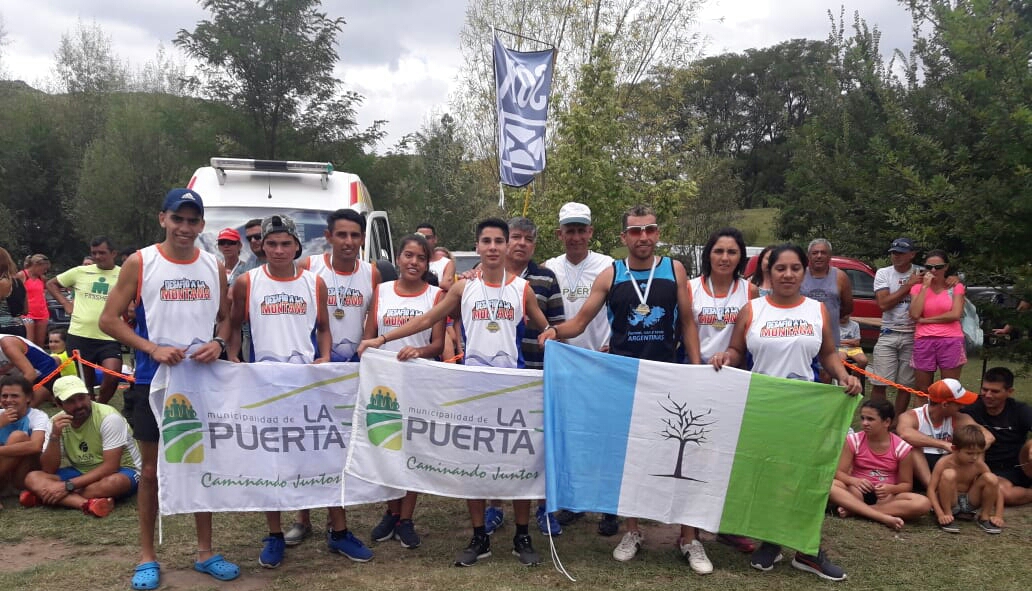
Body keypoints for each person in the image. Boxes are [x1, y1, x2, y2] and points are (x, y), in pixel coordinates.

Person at [359, 218, 551, 567]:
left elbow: (546, 326)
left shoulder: (522, 290)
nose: (493, 247)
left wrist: (550, 333)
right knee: (473, 462)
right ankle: (480, 536)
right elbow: (427, 319)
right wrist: (383, 339)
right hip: (472, 388)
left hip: (512, 389)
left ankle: (522, 534)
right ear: (476, 247)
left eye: (498, 241)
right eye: (486, 241)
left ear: (507, 247)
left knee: (518, 461)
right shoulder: (464, 289)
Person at [540, 205, 702, 566]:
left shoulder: (674, 269)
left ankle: (689, 538)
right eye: (635, 231)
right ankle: (633, 529)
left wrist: (695, 368)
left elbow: (688, 323)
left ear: (657, 233)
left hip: (669, 375)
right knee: (629, 456)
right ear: (623, 237)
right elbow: (580, 322)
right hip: (625, 380)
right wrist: (554, 331)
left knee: (683, 453)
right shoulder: (611, 274)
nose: (643, 237)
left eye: (649, 230)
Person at [99, 188, 239, 589]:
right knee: (150, 471)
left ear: (201, 225)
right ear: (163, 219)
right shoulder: (141, 261)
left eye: (193, 220)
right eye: (178, 218)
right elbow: (109, 320)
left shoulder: (214, 265)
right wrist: (151, 348)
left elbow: (226, 319)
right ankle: (147, 557)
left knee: (200, 464)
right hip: (151, 380)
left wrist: (219, 343)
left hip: (201, 381)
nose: (185, 227)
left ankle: (205, 552)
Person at [710, 243, 861, 582]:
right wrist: (725, 358)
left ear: (804, 272)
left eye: (795, 268)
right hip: (763, 406)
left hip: (805, 407)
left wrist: (843, 375)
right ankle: (771, 542)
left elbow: (828, 354)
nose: (789, 274)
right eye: (781, 268)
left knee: (806, 479)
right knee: (767, 477)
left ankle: (808, 552)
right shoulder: (752, 310)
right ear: (770, 272)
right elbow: (737, 350)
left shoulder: (816, 310)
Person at [228, 214, 372, 568]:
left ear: (297, 246)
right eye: (272, 243)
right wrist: (233, 359)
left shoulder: (313, 283)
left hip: (308, 385)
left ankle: (338, 531)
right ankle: (274, 534)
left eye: (285, 243)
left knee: (324, 454)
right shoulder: (248, 282)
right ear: (261, 245)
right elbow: (232, 325)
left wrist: (324, 356)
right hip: (267, 386)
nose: (279, 250)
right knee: (271, 460)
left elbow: (324, 327)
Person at [280, 209, 382, 547]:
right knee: (307, 443)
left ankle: (338, 523)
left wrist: (363, 358)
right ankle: (302, 517)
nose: (349, 242)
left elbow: (371, 322)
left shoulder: (371, 273)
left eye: (355, 235)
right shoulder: (310, 267)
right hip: (315, 369)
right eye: (342, 235)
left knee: (339, 446)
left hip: (351, 370)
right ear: (329, 236)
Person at [680, 227, 761, 572]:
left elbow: (748, 337)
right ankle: (689, 534)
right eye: (719, 251)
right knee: (693, 454)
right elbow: (684, 328)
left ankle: (727, 525)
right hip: (695, 378)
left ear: (740, 256)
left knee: (729, 455)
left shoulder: (750, 290)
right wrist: (698, 365)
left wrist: (729, 356)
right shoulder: (691, 287)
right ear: (708, 255)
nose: (725, 257)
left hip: (733, 381)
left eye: (732, 252)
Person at [363, 233, 445, 550]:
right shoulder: (381, 291)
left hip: (418, 382)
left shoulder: (436, 296)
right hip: (383, 382)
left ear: (427, 263)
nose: (414, 262)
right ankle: (390, 512)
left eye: (421, 258)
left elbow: (438, 344)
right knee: (386, 446)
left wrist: (418, 351)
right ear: (398, 257)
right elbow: (370, 336)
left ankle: (406, 518)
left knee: (412, 450)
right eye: (408, 255)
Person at [541, 202, 614, 531]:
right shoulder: (548, 267)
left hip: (602, 361)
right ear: (560, 233)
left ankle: (610, 506)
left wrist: (614, 343)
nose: (575, 236)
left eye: (580, 229)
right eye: (568, 230)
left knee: (605, 436)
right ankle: (575, 502)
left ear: (590, 232)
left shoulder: (608, 266)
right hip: (565, 364)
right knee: (572, 437)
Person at [20, 375, 140, 518]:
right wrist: (54, 436)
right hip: (81, 471)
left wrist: (68, 486)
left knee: (115, 482)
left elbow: (111, 467)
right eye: (71, 401)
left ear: (89, 396)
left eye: (82, 398)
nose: (79, 405)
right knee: (32, 477)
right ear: (59, 404)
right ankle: (86, 504)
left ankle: (44, 497)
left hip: (122, 470)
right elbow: (48, 469)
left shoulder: (108, 417)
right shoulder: (55, 422)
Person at [829, 399, 931, 530]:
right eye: (863, 418)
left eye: (870, 419)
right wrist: (854, 481)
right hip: (855, 492)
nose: (865, 423)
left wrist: (890, 489)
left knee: (923, 503)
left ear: (887, 422)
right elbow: (838, 473)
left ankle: (856, 510)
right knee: (830, 486)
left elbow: (906, 485)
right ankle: (882, 517)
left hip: (886, 498)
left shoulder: (902, 448)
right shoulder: (853, 440)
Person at [47, 236, 123, 403]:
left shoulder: (123, 274)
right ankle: (90, 411)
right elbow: (51, 284)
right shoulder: (80, 271)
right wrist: (66, 304)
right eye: (93, 253)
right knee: (85, 384)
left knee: (112, 375)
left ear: (113, 253)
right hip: (80, 334)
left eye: (102, 253)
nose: (97, 257)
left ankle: (100, 406)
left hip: (109, 336)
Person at [896, 378, 994, 489]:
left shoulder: (960, 418)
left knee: (976, 445)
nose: (963, 407)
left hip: (950, 465)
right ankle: (933, 489)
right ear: (945, 404)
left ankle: (970, 486)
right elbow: (905, 434)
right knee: (911, 448)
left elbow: (988, 437)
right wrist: (944, 444)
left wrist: (966, 449)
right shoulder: (911, 416)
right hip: (920, 467)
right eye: (959, 404)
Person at [870, 237, 923, 418]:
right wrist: (908, 287)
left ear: (912, 254)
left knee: (905, 384)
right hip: (888, 331)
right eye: (893, 253)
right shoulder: (884, 273)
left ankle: (896, 421)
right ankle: (878, 418)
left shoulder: (922, 273)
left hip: (913, 334)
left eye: (901, 253)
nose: (896, 256)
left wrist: (953, 279)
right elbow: (883, 304)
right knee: (879, 381)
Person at [962, 367, 1032, 505]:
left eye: (995, 391)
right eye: (985, 389)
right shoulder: (972, 408)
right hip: (986, 466)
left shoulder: (1020, 410)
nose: (988, 395)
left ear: (1009, 392)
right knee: (1001, 493)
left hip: (1017, 465)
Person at [928, 424, 1004, 534]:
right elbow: (931, 490)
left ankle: (984, 517)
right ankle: (948, 515)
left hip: (969, 503)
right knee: (949, 474)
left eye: (978, 453)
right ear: (955, 449)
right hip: (950, 501)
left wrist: (999, 515)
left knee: (991, 478)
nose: (974, 457)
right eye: (969, 453)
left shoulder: (978, 464)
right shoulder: (944, 462)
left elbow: (996, 487)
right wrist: (940, 514)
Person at [909, 249, 966, 393]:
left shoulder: (955, 287)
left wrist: (926, 320)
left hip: (950, 339)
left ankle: (946, 415)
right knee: (922, 389)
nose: (933, 270)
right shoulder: (917, 288)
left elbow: (955, 314)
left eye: (938, 267)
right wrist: (925, 287)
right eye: (929, 267)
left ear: (946, 267)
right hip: (924, 339)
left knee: (949, 388)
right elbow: (915, 314)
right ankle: (923, 415)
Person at [0, 375, 49, 496]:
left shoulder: (37, 416)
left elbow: (35, 446)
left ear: (28, 398)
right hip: (4, 476)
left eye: (14, 396)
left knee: (19, 437)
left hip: (23, 475)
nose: (8, 400)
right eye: (4, 396)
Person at [800, 239, 853, 349]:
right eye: (815, 253)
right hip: (802, 338)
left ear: (829, 256)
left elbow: (848, 307)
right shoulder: (799, 275)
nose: (819, 256)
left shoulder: (840, 276)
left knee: (828, 366)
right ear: (808, 256)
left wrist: (830, 316)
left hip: (830, 339)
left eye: (823, 252)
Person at [0, 333, 59, 406]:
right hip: (20, 376)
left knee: (17, 411)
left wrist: (10, 394)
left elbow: (30, 374)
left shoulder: (7, 343)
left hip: (45, 373)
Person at [17, 254, 51, 347]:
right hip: (27, 314)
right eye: (43, 269)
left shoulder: (42, 278)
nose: (45, 271)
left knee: (40, 343)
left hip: (42, 313)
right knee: (29, 343)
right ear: (36, 265)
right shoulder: (22, 275)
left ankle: (38, 361)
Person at [417, 223, 454, 292]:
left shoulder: (446, 263)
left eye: (428, 238)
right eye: (420, 238)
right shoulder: (410, 262)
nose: (424, 241)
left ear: (435, 239)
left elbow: (446, 286)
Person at [0, 246, 27, 337]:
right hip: (18, 327)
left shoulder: (3, 283)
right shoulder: (18, 282)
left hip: (4, 330)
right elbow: (26, 310)